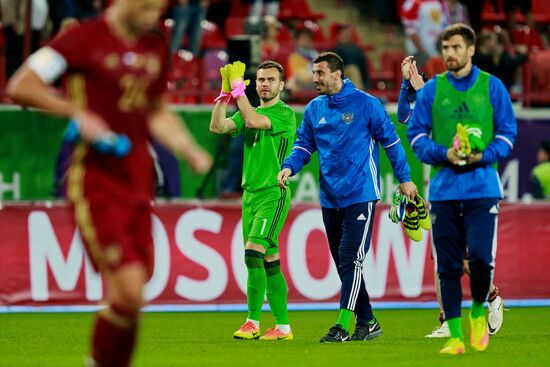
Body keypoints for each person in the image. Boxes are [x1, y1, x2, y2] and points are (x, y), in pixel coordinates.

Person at [6, 0, 212, 365]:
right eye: (147, 7)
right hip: (97, 181)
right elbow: (21, 85)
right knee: (129, 292)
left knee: (131, 298)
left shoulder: (152, 47)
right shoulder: (80, 39)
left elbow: (156, 110)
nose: (154, 16)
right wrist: (76, 112)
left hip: (138, 183)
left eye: (159, 9)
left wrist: (189, 148)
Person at [277, 52, 418, 343]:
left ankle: (342, 326)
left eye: (320, 73)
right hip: (330, 196)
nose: (314, 78)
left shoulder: (367, 104)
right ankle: (367, 321)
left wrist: (404, 179)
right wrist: (289, 166)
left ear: (337, 74)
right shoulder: (315, 109)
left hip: (361, 192)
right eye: (313, 73)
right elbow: (304, 145)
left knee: (350, 258)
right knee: (345, 263)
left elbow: (392, 143)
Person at [407, 23, 517, 354]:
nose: (450, 54)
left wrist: (483, 154)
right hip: (443, 190)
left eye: (456, 47)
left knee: (481, 260)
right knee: (448, 265)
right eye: (445, 48)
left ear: (470, 50)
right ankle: (455, 336)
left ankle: (480, 311)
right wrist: (444, 154)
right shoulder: (431, 91)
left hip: (482, 187)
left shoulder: (492, 87)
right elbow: (415, 136)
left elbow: (508, 134)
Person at [210, 60, 297, 340]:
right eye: (260, 79)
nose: (265, 84)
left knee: (252, 253)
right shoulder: (252, 109)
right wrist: (224, 97)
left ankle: (253, 321)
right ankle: (283, 327)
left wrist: (238, 91)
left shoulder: (285, 114)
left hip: (273, 191)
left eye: (271, 79)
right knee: (269, 259)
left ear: (282, 85)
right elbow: (217, 127)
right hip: (250, 196)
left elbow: (252, 121)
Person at [333, 23, 370, 90]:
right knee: (353, 69)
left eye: (348, 34)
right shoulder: (335, 49)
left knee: (354, 70)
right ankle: (358, 96)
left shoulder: (356, 49)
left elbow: (363, 68)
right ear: (339, 35)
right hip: (340, 77)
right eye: (343, 33)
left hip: (356, 78)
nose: (346, 36)